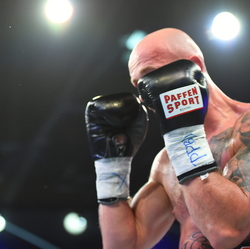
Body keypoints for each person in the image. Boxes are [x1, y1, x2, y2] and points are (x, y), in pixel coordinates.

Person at [85, 28, 250, 249]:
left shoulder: (245, 128)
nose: (145, 95)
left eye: (150, 75)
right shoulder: (166, 162)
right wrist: (111, 168)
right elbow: (123, 246)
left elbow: (227, 231)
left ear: (195, 67)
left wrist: (183, 137)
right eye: (138, 85)